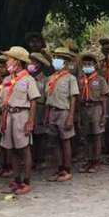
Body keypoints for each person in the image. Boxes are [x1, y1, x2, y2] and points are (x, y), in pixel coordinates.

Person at [0, 46, 40, 195]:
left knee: (24, 149)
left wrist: (30, 121)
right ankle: (17, 179)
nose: (7, 62)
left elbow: (33, 101)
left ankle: (26, 181)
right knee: (12, 149)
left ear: (17, 62)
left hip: (22, 115)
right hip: (9, 115)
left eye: (9, 59)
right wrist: (3, 119)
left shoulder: (28, 79)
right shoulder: (7, 79)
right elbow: (3, 101)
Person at [44, 47, 80, 182]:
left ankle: (67, 169)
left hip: (64, 112)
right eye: (55, 58)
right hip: (52, 111)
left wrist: (70, 117)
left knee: (65, 141)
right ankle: (58, 168)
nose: (56, 61)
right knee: (54, 142)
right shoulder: (50, 78)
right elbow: (48, 98)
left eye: (59, 58)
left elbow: (73, 98)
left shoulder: (70, 78)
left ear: (65, 62)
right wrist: (47, 115)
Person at [78, 52, 108, 173]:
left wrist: (104, 115)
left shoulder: (100, 80)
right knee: (86, 136)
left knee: (96, 136)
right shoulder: (80, 80)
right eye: (85, 64)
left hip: (96, 108)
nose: (87, 66)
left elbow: (104, 98)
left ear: (95, 65)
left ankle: (96, 161)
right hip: (84, 109)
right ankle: (88, 160)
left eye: (89, 64)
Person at [29, 52, 51, 168]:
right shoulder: (28, 78)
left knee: (40, 134)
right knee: (30, 134)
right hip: (28, 108)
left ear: (40, 65)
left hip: (40, 107)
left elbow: (47, 98)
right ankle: (31, 159)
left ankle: (41, 159)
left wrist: (46, 114)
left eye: (34, 62)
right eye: (30, 61)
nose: (31, 64)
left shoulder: (46, 80)